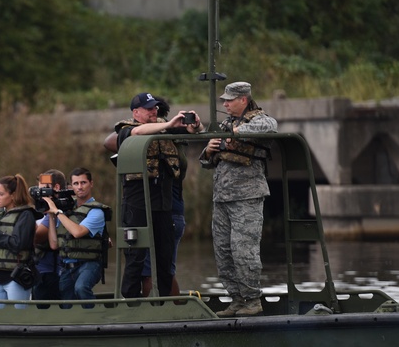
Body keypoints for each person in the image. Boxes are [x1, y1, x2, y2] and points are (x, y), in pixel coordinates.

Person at [110, 92, 201, 298]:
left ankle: (164, 304)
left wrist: (195, 125)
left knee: (165, 256)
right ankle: (131, 302)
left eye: (155, 108)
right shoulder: (126, 130)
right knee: (135, 255)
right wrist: (168, 126)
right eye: (149, 108)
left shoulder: (165, 127)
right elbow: (138, 131)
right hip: (137, 202)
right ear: (136, 112)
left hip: (163, 202)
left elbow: (194, 131)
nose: (154, 111)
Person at [201, 81, 279, 317]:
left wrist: (234, 133)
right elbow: (206, 162)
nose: (224, 104)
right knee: (223, 252)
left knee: (243, 250)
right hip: (222, 198)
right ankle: (237, 299)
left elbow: (270, 127)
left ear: (243, 100)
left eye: (229, 100)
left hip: (247, 196)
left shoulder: (258, 119)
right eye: (223, 100)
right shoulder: (226, 123)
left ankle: (252, 300)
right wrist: (210, 149)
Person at [45, 167, 107, 307]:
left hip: (89, 264)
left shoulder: (96, 211)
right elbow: (54, 244)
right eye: (76, 183)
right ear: (70, 186)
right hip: (67, 265)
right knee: (67, 303)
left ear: (91, 183)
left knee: (81, 288)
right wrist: (50, 215)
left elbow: (78, 232)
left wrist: (57, 212)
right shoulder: (66, 210)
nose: (80, 187)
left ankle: (96, 321)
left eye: (83, 183)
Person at [0, 174, 37, 309]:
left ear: (13, 195)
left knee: (19, 318)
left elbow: (18, 244)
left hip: (16, 277)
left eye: (0, 194)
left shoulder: (25, 215)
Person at [32, 169, 68, 303]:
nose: (38, 194)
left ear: (56, 187)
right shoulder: (43, 210)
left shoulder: (57, 211)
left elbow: (36, 237)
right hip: (41, 270)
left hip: (50, 272)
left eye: (43, 190)